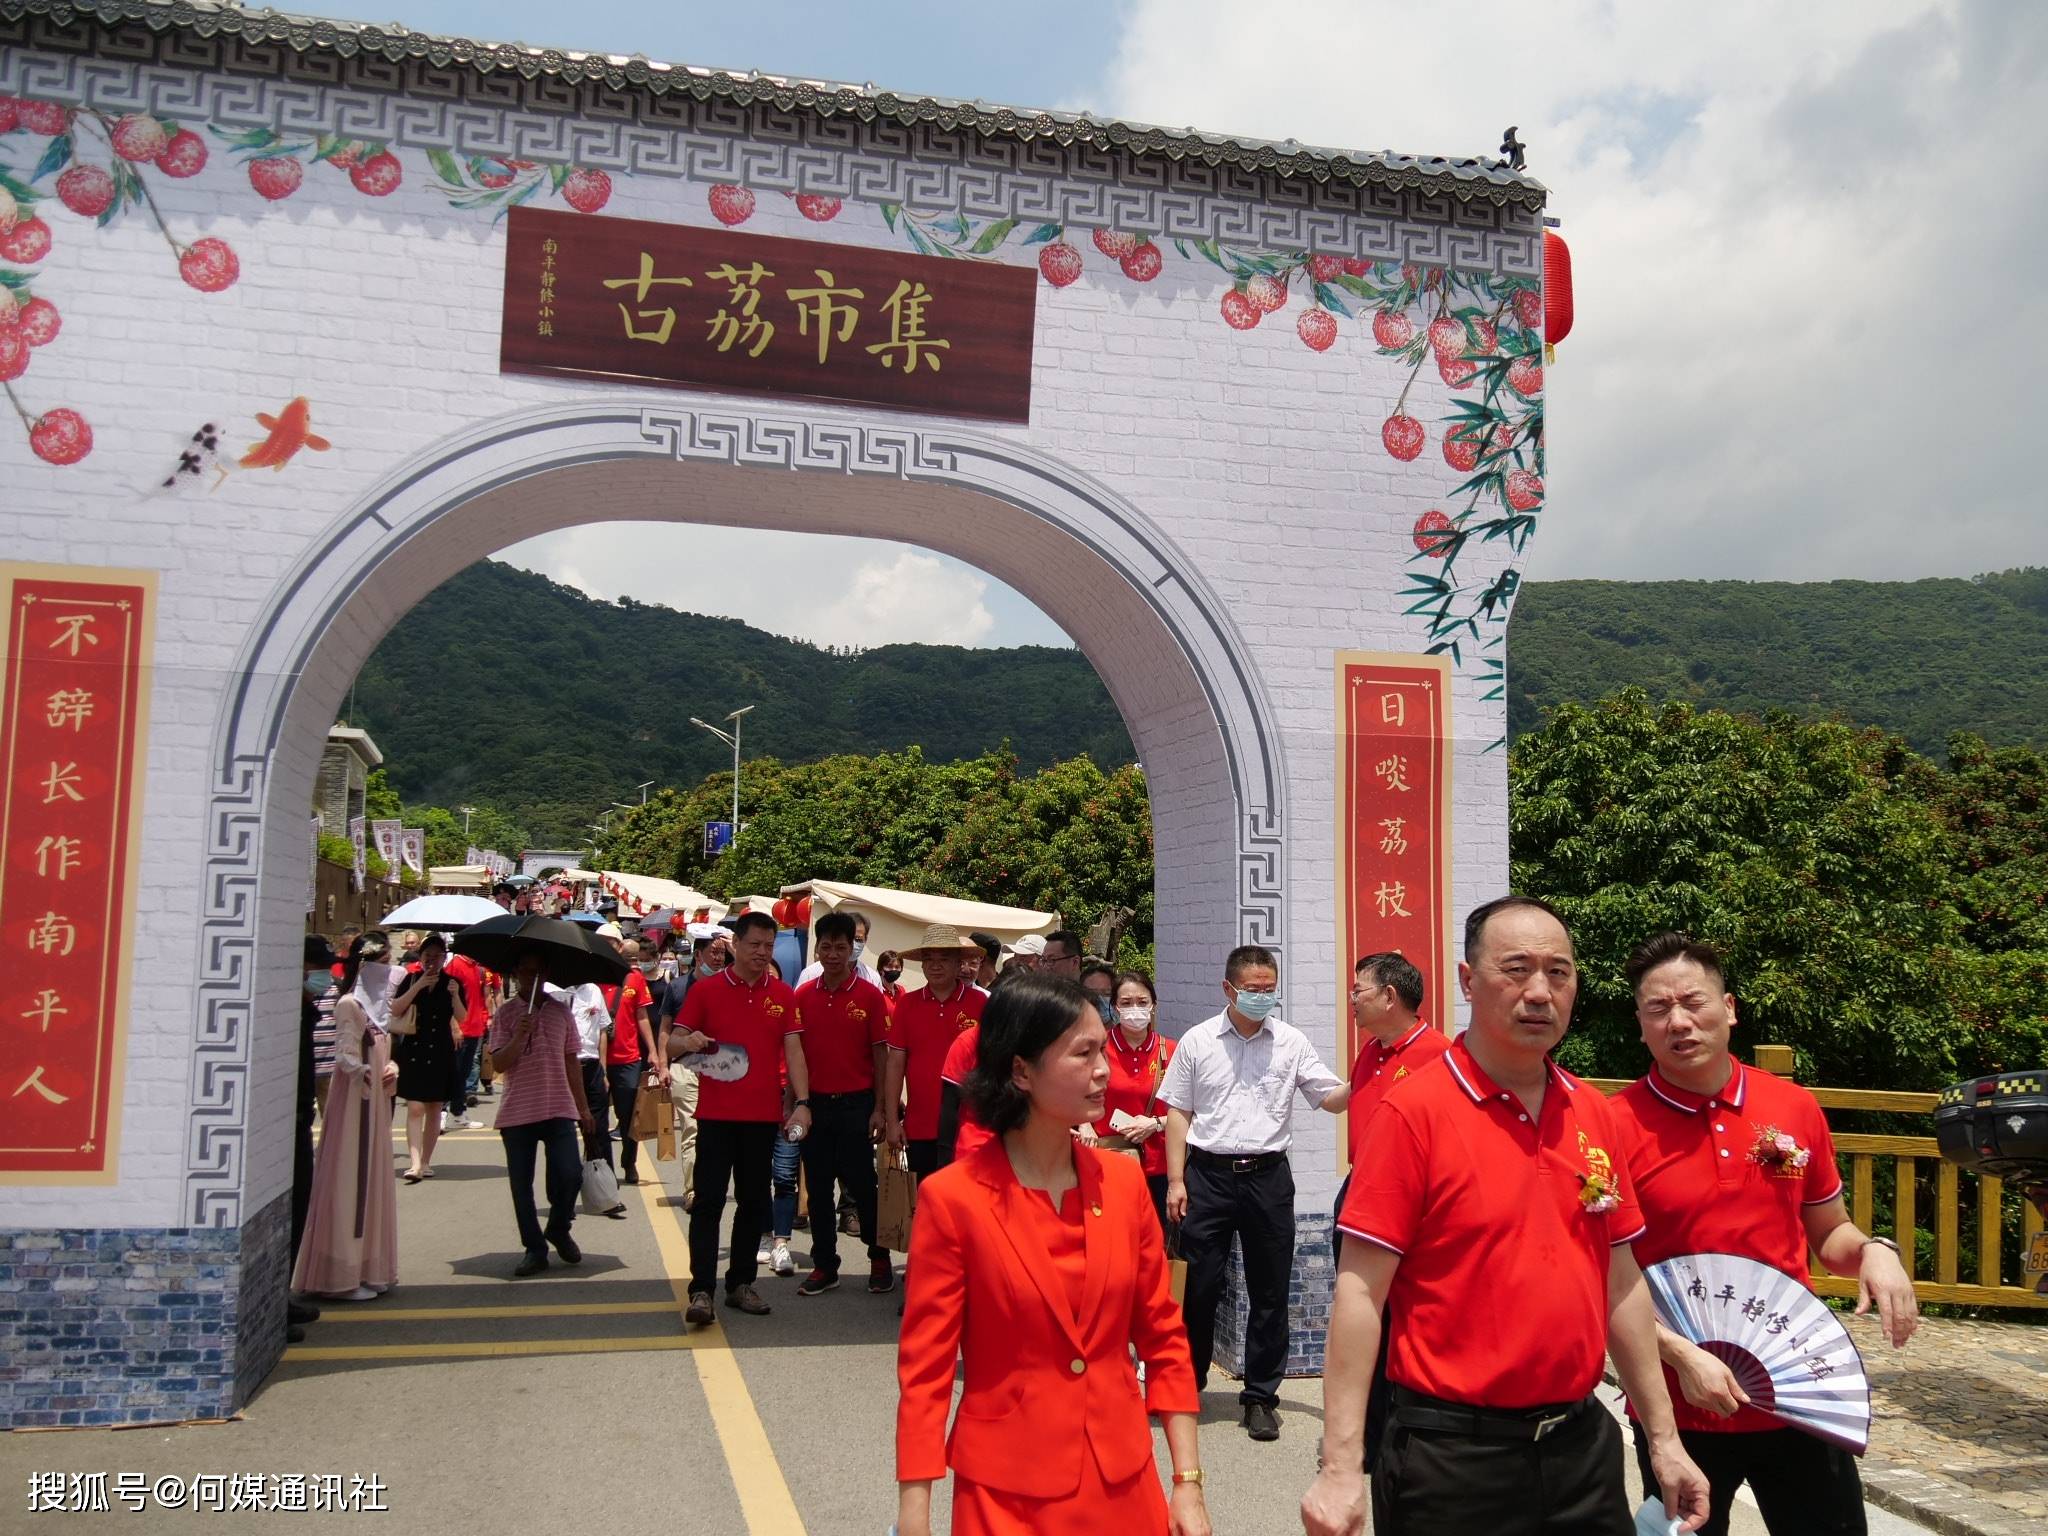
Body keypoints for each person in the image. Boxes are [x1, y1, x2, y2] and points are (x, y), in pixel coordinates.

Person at [1302, 897, 1710, 1536]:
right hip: (1451, 1460)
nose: (1539, 992)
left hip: (1580, 1451)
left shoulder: (1595, 1115)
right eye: (1515, 969)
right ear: (1468, 981)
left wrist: (1665, 1441)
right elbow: (1359, 1294)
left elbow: (1623, 1282)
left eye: (1559, 972)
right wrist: (1340, 1466)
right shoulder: (1415, 1113)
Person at [1611, 932, 1918, 1536]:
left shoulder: (1794, 1106)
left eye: (1693, 1002)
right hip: (1679, 1408)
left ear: (1728, 1008)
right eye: (1658, 1009)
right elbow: (1599, 1275)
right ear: (1640, 1024)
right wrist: (1677, 1353)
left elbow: (1828, 1233)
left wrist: (1875, 1252)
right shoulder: (1612, 1126)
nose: (1679, 1022)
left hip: (1800, 1393)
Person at [895, 973, 1210, 1536]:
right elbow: (926, 1371)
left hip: (1124, 1482)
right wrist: (914, 1512)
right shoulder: (952, 1200)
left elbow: (1163, 1336)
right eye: (1082, 1053)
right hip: (1005, 1494)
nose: (1103, 1070)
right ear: (1021, 1070)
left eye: (1102, 1049)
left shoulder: (1124, 1182)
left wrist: (1187, 1481)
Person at [1159, 943, 1349, 1441]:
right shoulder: (1198, 1042)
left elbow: (1328, 1098)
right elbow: (1177, 1111)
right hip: (1208, 1175)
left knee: (1270, 1290)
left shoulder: (1290, 1041)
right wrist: (1176, 1180)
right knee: (1198, 1287)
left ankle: (1262, 1396)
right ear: (1229, 989)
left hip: (1268, 1177)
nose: (1262, 998)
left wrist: (1372, 1070)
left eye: (1269, 990)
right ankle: (1186, 1383)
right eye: (1253, 990)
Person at [668, 910, 815, 1326]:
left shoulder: (783, 995)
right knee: (709, 1204)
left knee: (753, 1203)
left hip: (761, 1118)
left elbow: (795, 1052)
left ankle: (740, 1284)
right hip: (715, 1117)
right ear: (735, 944)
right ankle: (701, 1290)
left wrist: (802, 1101)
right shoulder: (706, 991)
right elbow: (673, 1044)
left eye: (768, 946)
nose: (761, 953)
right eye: (754, 945)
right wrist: (688, 1039)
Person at [291, 932, 400, 1301]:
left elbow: (384, 1048)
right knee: (350, 1180)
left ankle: (369, 1267)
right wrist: (364, 1071)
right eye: (383, 964)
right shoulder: (349, 1004)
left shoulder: (378, 1008)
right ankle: (340, 1272)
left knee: (370, 1181)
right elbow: (345, 1056)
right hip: (355, 1102)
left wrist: (390, 1067)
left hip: (373, 1101)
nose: (389, 971)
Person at [792, 911, 895, 1296]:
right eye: (826, 946)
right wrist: (792, 1103)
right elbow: (795, 1053)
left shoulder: (870, 996)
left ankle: (879, 1258)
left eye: (841, 946)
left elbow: (883, 1056)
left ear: (853, 949)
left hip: (857, 1106)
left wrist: (882, 1109)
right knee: (817, 1190)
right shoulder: (802, 996)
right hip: (815, 1107)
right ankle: (824, 1265)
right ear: (817, 949)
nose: (833, 954)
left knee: (863, 1187)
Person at [487, 945, 596, 1278]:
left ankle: (559, 1227)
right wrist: (520, 1034)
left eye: (538, 972)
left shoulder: (560, 1011)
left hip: (558, 1105)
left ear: (547, 975)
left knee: (570, 1174)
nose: (531, 977)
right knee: (521, 1186)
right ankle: (533, 1248)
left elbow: (571, 1061)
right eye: (525, 971)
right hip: (518, 1110)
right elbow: (498, 1063)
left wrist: (583, 1109)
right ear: (516, 973)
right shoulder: (506, 1014)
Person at [1335, 953, 1448, 1250]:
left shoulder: (1440, 1055)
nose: (1353, 999)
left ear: (1389, 996)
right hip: (1358, 1186)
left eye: (1359, 991)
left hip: (1408, 1198)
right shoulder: (1371, 1048)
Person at [882, 924, 987, 1179]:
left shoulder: (981, 1003)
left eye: (944, 959)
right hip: (920, 1126)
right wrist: (893, 1121)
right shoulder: (907, 1004)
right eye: (929, 959)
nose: (935, 965)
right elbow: (895, 1064)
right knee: (926, 1201)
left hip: (967, 1127)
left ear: (959, 963)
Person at [1094, 969, 1176, 1229]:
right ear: (1115, 1008)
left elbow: (1192, 1110)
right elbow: (1073, 1096)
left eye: (1142, 1002)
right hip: (1108, 1161)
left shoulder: (1171, 1051)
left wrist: (1155, 1123)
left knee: (1157, 1244)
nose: (1135, 1009)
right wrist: (1083, 1125)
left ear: (1154, 1005)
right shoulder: (1097, 1048)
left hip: (1159, 1167)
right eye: (1126, 1003)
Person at [389, 931, 467, 1182]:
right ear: (420, 957)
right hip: (414, 1048)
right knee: (414, 1107)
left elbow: (462, 1016)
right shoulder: (411, 979)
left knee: (434, 1106)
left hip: (441, 1049)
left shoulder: (452, 983)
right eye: (427, 956)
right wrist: (419, 985)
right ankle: (413, 1162)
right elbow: (396, 1008)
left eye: (437, 956)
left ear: (444, 958)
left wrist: (455, 995)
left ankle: (425, 1161)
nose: (431, 961)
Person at [287, 937, 335, 1341]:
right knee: (289, 1210)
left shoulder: (307, 1004)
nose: (320, 977)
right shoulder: (281, 1007)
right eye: (314, 968)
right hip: (283, 1120)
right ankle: (274, 1307)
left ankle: (282, 1297)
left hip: (300, 1115)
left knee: (300, 1206)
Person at [601, 937, 661, 1188]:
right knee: (597, 1118)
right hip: (597, 1061)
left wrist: (653, 1051)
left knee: (628, 1117)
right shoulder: (594, 979)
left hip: (628, 1059)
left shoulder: (634, 979)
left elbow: (642, 1017)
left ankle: (629, 1162)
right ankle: (602, 1168)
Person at [443, 945, 492, 1128]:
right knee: (453, 1073)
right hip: (460, 1029)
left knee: (462, 1074)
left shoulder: (478, 969)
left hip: (475, 1027)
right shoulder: (455, 965)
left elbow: (483, 997)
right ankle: (442, 1111)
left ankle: (458, 1112)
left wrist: (487, 1018)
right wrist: (454, 1026)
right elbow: (447, 1000)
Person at [796, 909, 882, 987]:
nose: (833, 955)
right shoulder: (810, 974)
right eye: (826, 947)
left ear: (865, 939)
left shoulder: (872, 979)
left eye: (858, 939)